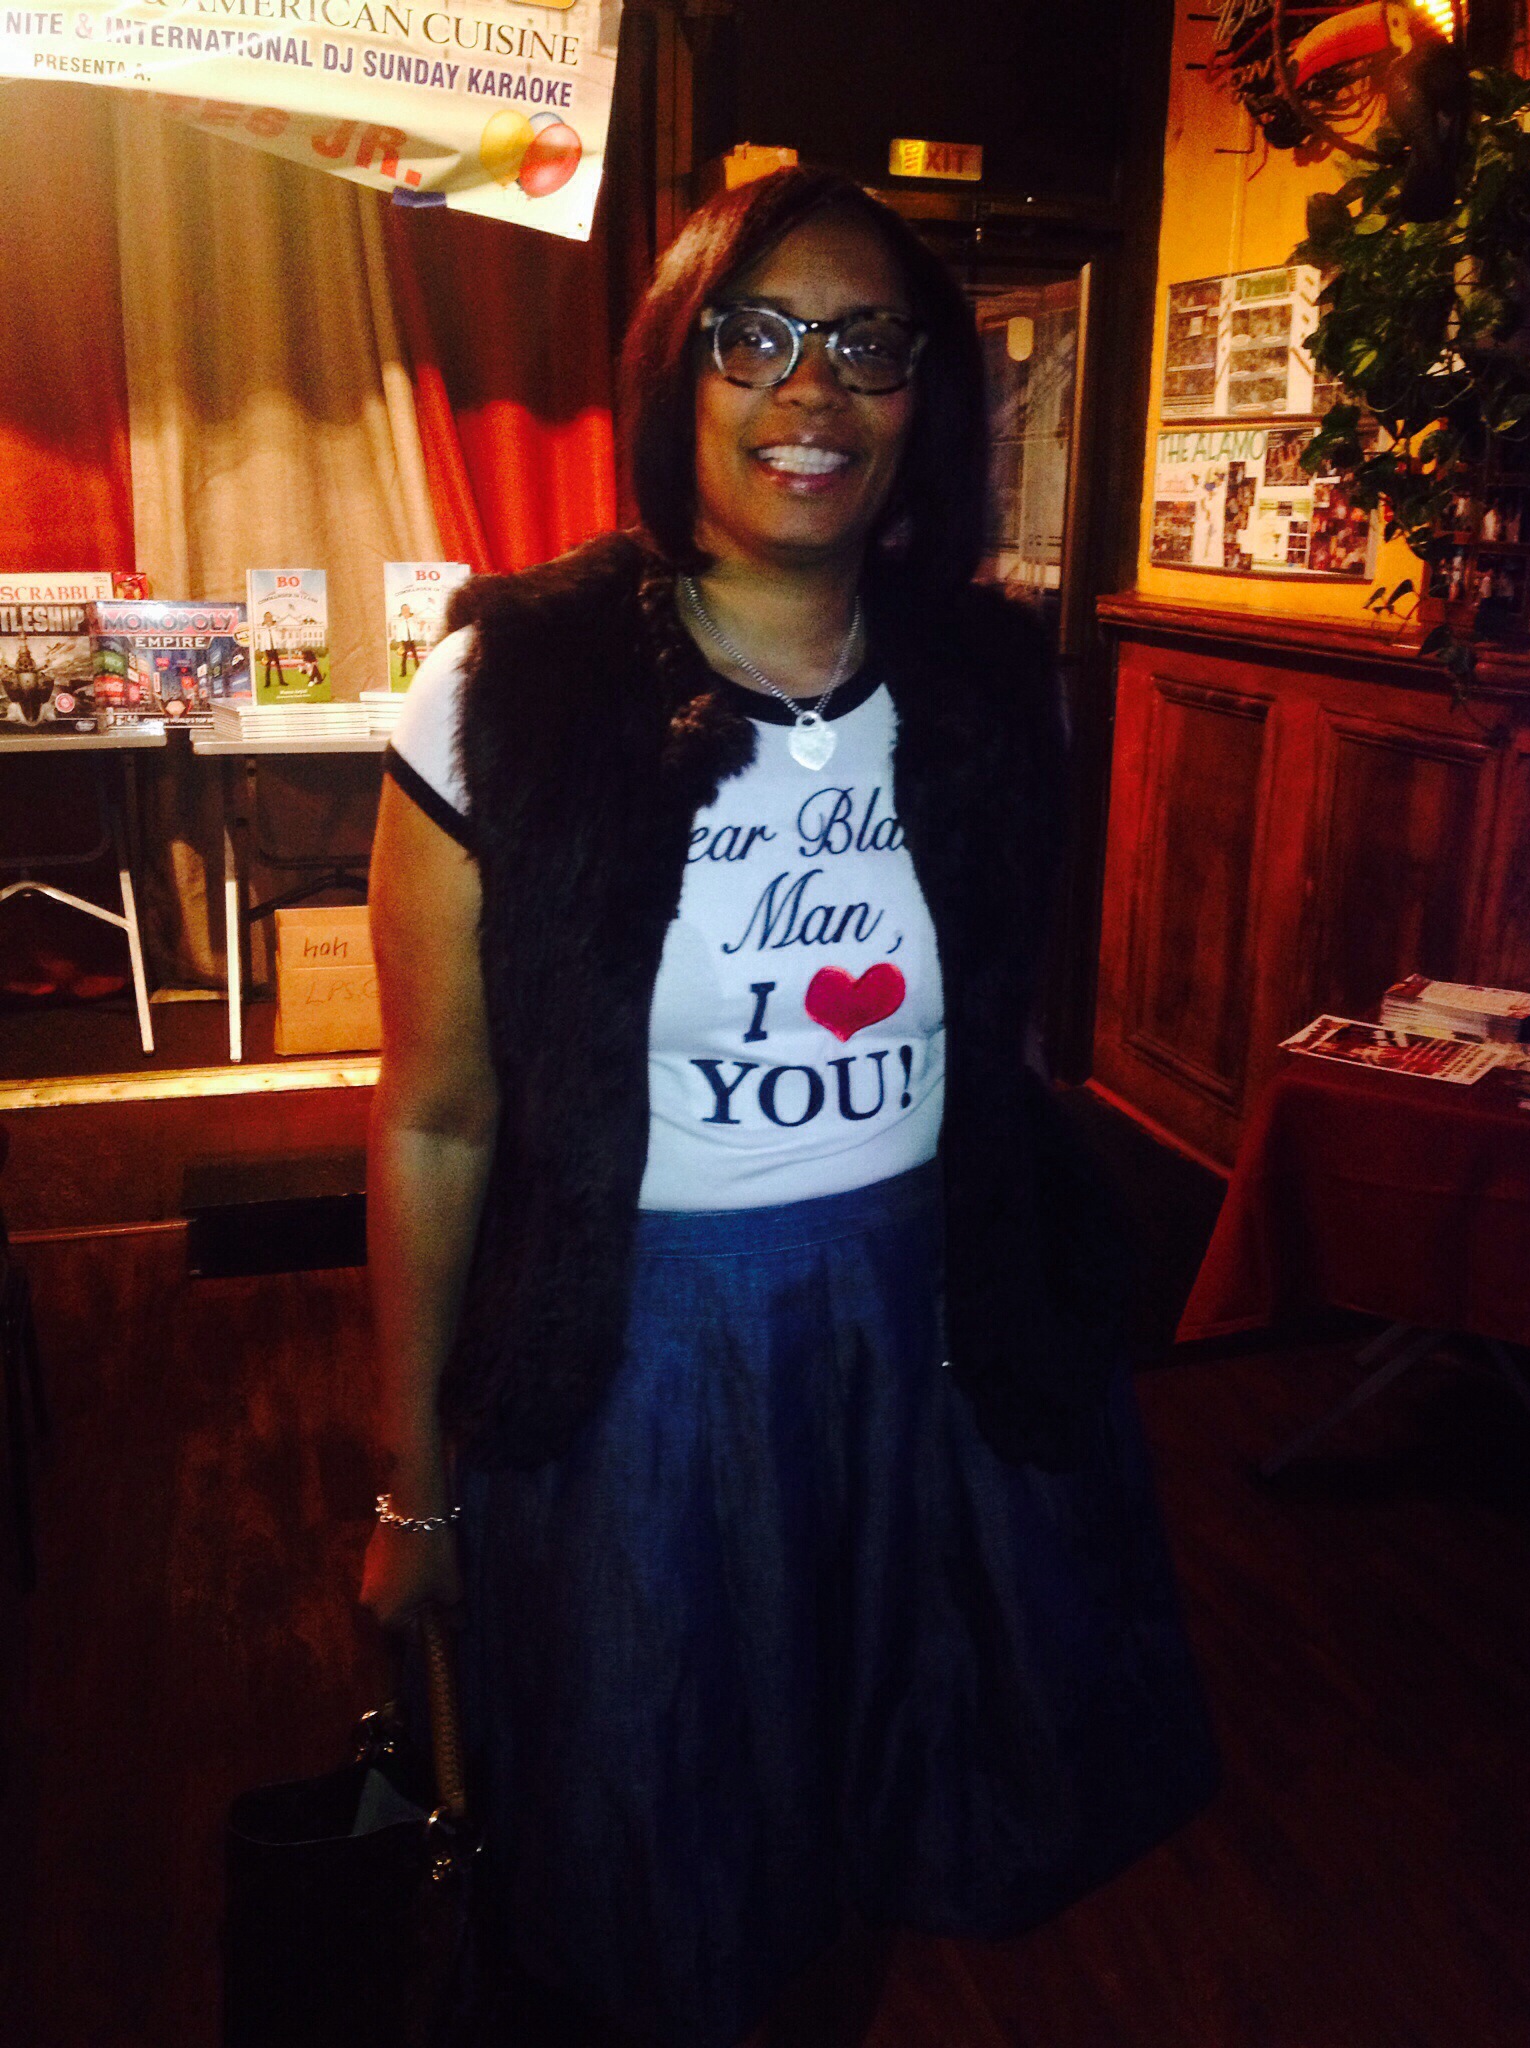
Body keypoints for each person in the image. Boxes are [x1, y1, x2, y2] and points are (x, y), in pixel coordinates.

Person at [361, 167, 1215, 2047]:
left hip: (931, 1346)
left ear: (925, 402)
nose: (811, 390)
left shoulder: (992, 683)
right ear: (679, 370)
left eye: (867, 346)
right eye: (756, 337)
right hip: (640, 1362)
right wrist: (414, 1485)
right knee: (653, 1835)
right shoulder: (510, 689)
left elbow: (1002, 1053)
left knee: (886, 1805)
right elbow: (434, 1123)